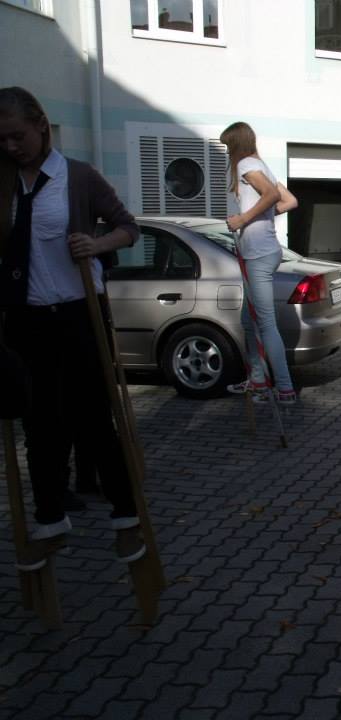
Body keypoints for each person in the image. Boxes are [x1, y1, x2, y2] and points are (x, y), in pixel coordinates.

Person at [0, 86, 144, 563]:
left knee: (93, 418)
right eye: (2, 140)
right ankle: (49, 518)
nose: (11, 147)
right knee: (40, 424)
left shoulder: (77, 177)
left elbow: (128, 227)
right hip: (26, 316)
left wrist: (97, 245)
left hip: (78, 311)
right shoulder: (5, 183)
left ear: (41, 125)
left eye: (18, 136)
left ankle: (126, 517)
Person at [219, 122, 299, 404]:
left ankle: (285, 389)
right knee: (248, 320)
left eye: (227, 147)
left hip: (258, 254)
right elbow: (290, 201)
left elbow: (273, 196)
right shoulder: (262, 165)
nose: (227, 153)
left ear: (235, 145)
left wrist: (243, 219)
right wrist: (260, 216)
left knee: (265, 323)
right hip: (265, 250)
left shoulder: (246, 165)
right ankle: (257, 381)